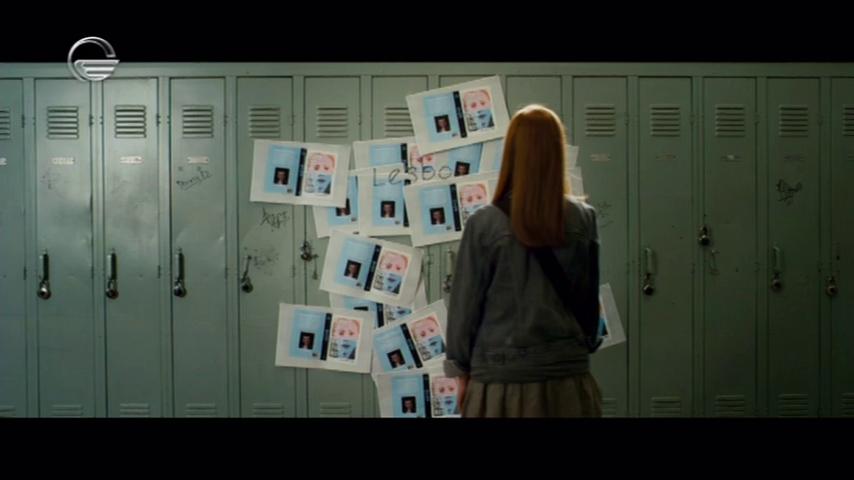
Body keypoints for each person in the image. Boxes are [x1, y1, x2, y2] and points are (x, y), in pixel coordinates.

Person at [444, 105, 602, 418]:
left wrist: (460, 371)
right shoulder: (584, 219)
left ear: (512, 153)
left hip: (499, 383)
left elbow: (464, 308)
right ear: (557, 153)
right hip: (567, 380)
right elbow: (588, 303)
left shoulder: (484, 224)